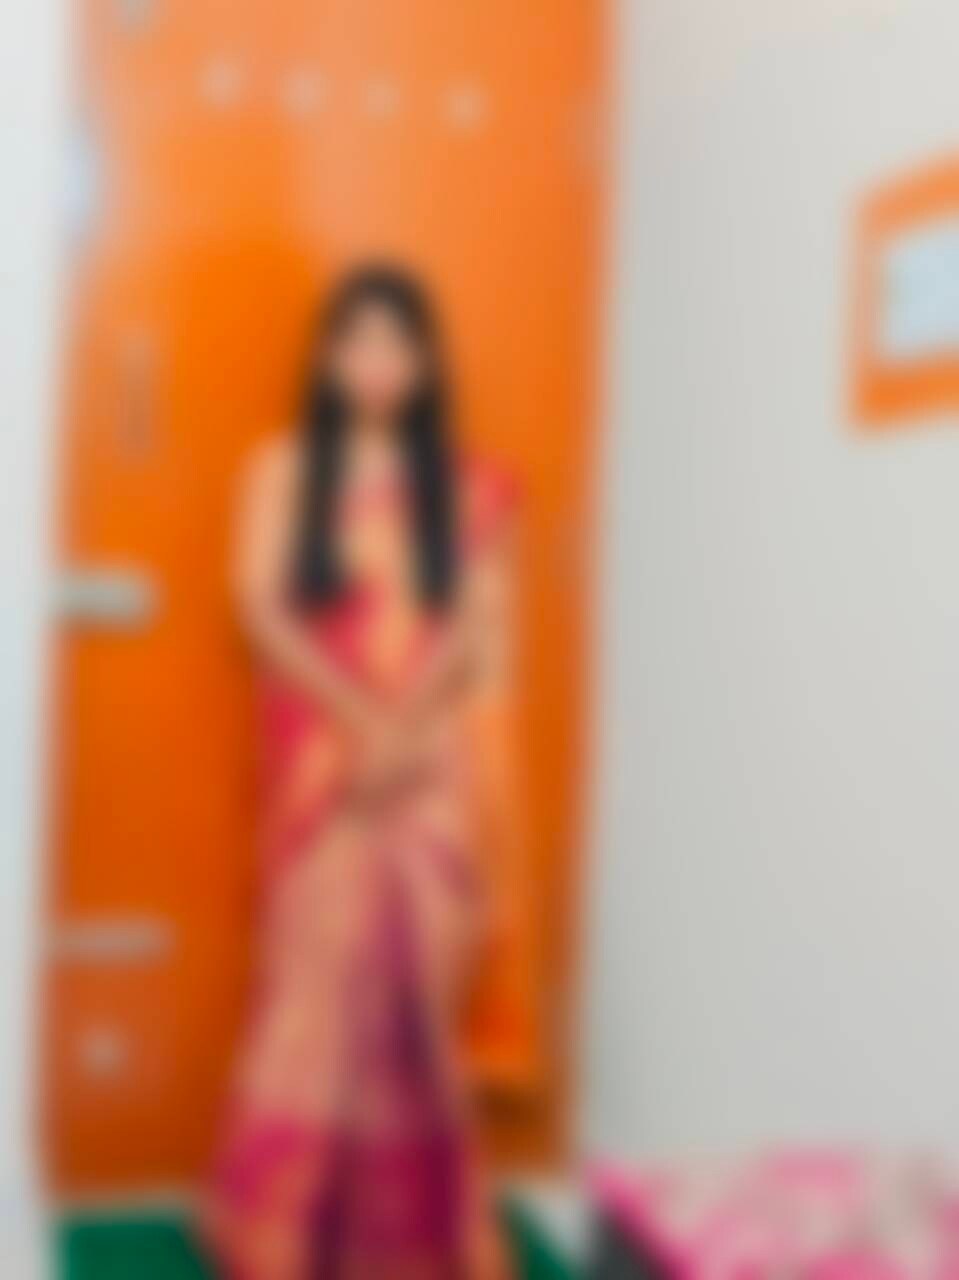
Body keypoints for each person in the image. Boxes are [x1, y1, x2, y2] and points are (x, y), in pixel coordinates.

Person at [202, 265, 521, 1278]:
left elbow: (470, 630)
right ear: (329, 355)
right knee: (313, 992)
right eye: (358, 338)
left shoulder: (464, 486)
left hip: (425, 768)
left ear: (424, 361)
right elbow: (258, 604)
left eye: (397, 341)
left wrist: (403, 729)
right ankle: (284, 1239)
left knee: (414, 1002)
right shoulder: (282, 467)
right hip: (321, 767)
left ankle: (413, 1241)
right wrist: (357, 721)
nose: (377, 360)